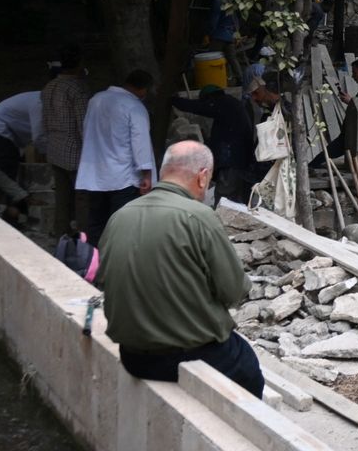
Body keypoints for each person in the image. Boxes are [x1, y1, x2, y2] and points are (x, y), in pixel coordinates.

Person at [100, 141, 262, 398]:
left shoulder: (121, 215)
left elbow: (105, 280)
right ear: (202, 177)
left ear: (164, 172)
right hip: (185, 357)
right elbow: (234, 291)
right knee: (249, 368)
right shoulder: (199, 216)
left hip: (132, 355)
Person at [76, 70, 156, 247]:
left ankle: (92, 262)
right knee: (121, 224)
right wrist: (147, 175)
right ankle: (117, 262)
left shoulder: (96, 99)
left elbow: (86, 130)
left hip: (95, 175)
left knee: (96, 222)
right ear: (143, 90)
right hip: (123, 177)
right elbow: (140, 142)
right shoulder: (135, 107)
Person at [171, 85, 254, 203]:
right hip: (239, 159)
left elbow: (197, 107)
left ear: (210, 98)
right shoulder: (231, 106)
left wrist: (175, 101)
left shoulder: (223, 103)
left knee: (225, 199)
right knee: (234, 197)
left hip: (232, 162)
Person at [42, 44, 91, 235]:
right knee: (82, 198)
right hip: (75, 151)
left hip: (55, 148)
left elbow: (44, 119)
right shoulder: (77, 88)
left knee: (62, 198)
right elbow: (83, 124)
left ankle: (61, 235)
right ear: (79, 63)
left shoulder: (49, 86)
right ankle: (84, 239)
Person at [310, 59, 358, 166]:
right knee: (323, 157)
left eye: (355, 72)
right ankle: (308, 170)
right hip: (351, 136)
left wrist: (351, 102)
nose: (353, 76)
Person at [0, 91, 46, 227]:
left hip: (7, 134)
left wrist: (23, 196)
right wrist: (4, 209)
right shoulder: (39, 103)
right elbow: (38, 137)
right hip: (1, 132)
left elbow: (1, 178)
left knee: (7, 169)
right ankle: (6, 222)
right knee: (7, 164)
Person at [206, 0, 243, 84]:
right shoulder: (232, 2)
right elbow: (236, 20)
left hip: (219, 34)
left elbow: (214, 20)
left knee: (213, 58)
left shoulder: (219, 1)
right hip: (230, 35)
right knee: (232, 58)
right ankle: (239, 78)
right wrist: (236, 34)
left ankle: (214, 79)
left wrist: (209, 33)